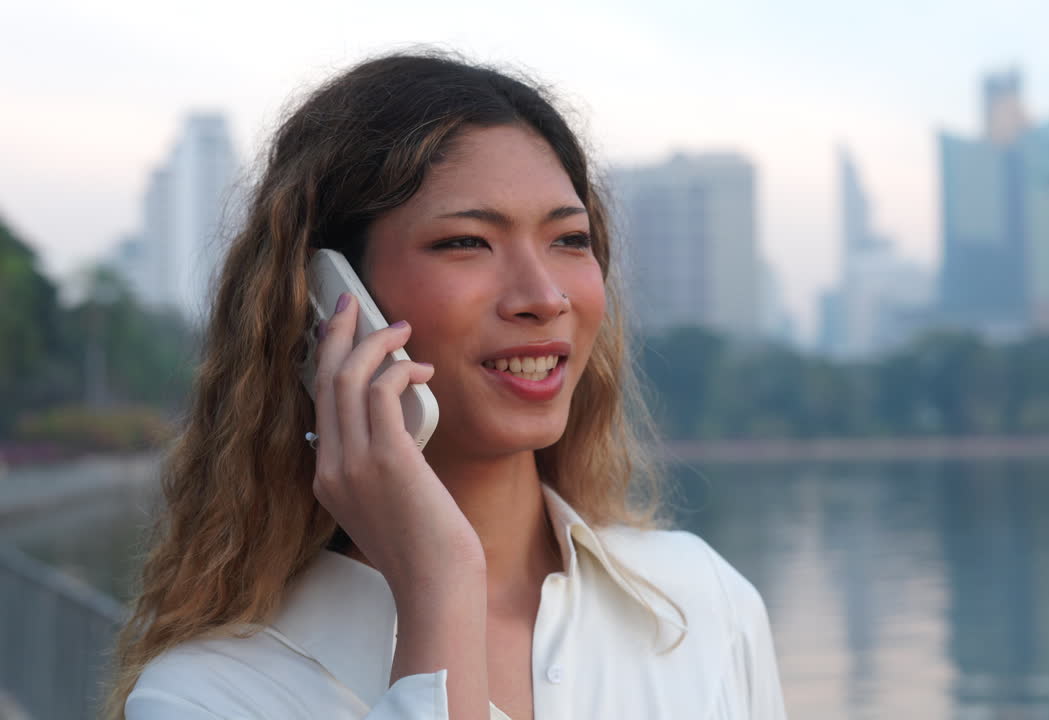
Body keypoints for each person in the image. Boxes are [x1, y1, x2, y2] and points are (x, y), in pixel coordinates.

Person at [105, 50, 787, 720]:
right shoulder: (210, 695)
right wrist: (443, 585)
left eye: (570, 240)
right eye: (466, 242)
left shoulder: (701, 604)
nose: (543, 296)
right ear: (324, 301)